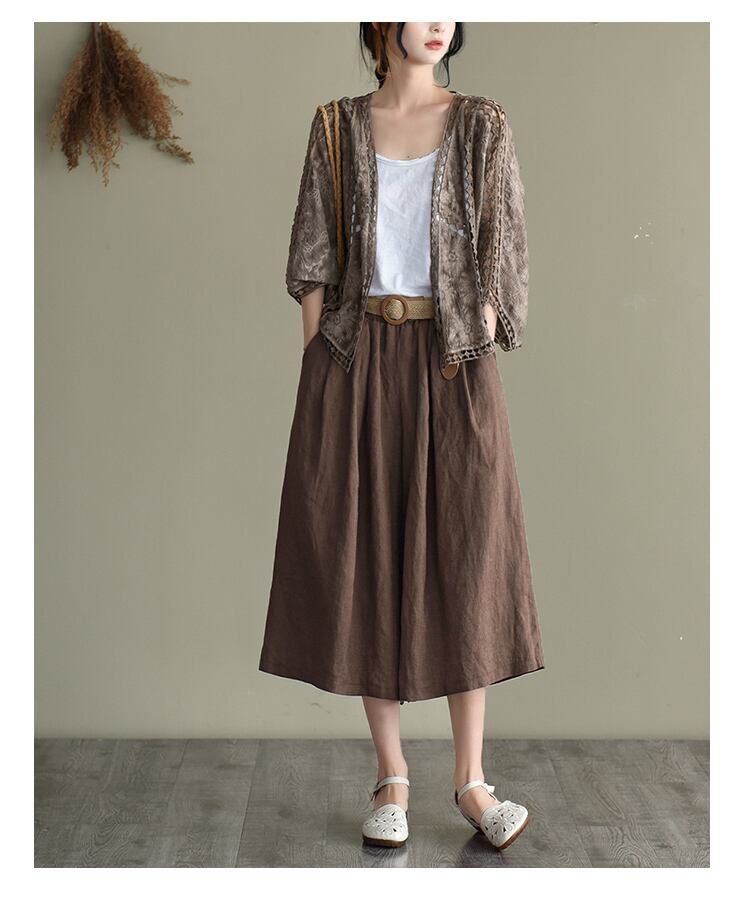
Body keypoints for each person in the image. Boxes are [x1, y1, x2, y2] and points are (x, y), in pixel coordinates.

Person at [258, 21, 545, 851]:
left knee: (467, 556)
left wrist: (478, 326)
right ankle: (391, 777)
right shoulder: (334, 127)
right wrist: (318, 362)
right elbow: (312, 253)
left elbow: (504, 247)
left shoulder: (483, 123)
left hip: (452, 361)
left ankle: (472, 781)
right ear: (380, 21)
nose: (438, 20)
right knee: (362, 556)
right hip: (354, 359)